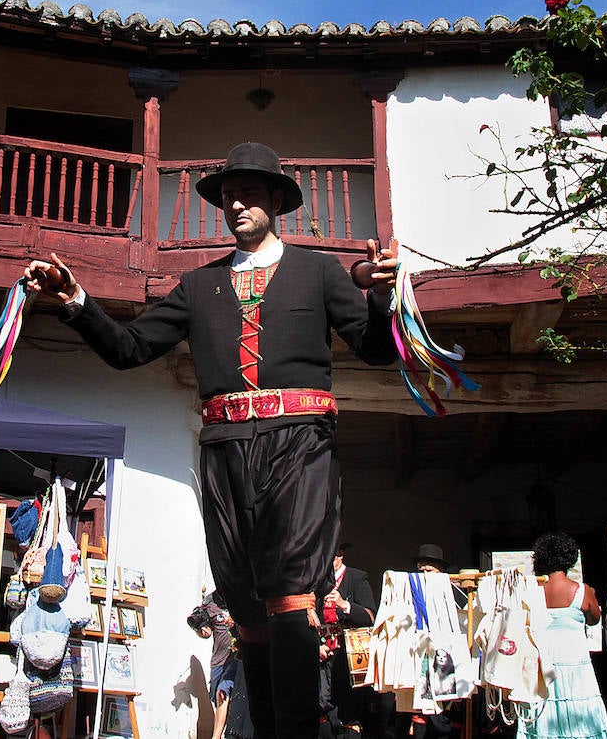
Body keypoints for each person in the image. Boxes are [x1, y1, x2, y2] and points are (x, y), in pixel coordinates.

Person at [25, 141, 400, 739]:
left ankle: (301, 729)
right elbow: (129, 349)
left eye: (249, 192)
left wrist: (380, 298)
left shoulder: (319, 271)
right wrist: (75, 301)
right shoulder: (198, 287)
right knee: (246, 603)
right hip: (225, 452)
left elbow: (378, 351)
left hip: (299, 443)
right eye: (228, 195)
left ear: (277, 201)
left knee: (290, 588)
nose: (236, 204)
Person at [521, 532, 607, 739]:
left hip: (543, 665)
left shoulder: (533, 591)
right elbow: (594, 619)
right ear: (569, 558)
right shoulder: (582, 591)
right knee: (581, 713)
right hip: (575, 664)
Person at [318, 544, 376, 737]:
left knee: (349, 710)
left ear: (340, 555)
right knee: (321, 706)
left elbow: (369, 617)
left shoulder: (357, 578)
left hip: (349, 655)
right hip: (322, 653)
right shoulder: (317, 580)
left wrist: (344, 604)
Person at [190, 597, 241, 739]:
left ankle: (216, 736)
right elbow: (204, 630)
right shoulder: (209, 602)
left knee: (222, 692)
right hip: (218, 660)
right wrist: (200, 630)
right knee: (216, 698)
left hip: (236, 657)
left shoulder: (238, 594)